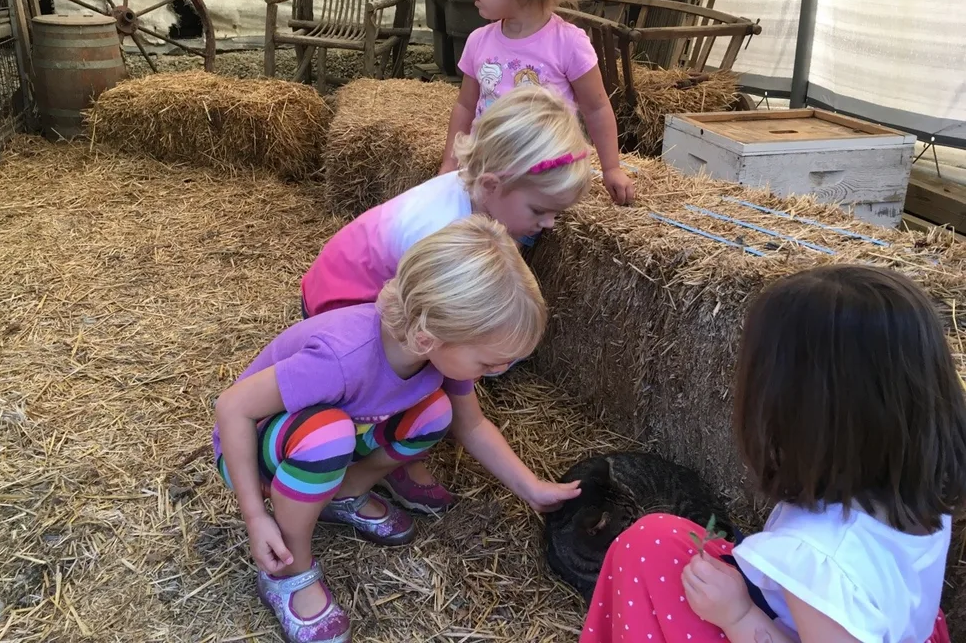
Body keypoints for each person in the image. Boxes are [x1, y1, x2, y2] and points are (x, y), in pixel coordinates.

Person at [215, 215, 581, 643]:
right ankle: (288, 570)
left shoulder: (435, 349)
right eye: (489, 362)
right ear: (429, 337)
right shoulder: (341, 357)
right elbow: (232, 408)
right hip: (259, 452)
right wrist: (255, 516)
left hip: (337, 436)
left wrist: (532, 488)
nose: (499, 371)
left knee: (435, 413)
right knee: (327, 435)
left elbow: (472, 424)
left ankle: (344, 492)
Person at [578, 265, 966, 642]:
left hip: (798, 623)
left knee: (643, 554)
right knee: (655, 541)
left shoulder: (820, 559)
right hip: (889, 623)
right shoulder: (918, 476)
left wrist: (738, 615)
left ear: (802, 418)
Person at [301, 85, 592, 513]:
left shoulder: (472, 194)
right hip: (341, 310)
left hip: (380, 297)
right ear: (492, 184)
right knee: (435, 383)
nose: (548, 224)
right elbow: (456, 384)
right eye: (539, 210)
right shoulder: (440, 232)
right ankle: (382, 443)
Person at [437, 0, 635, 207]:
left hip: (540, 179)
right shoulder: (479, 42)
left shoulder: (568, 43)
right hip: (485, 173)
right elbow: (465, 106)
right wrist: (450, 164)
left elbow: (596, 108)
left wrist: (611, 168)